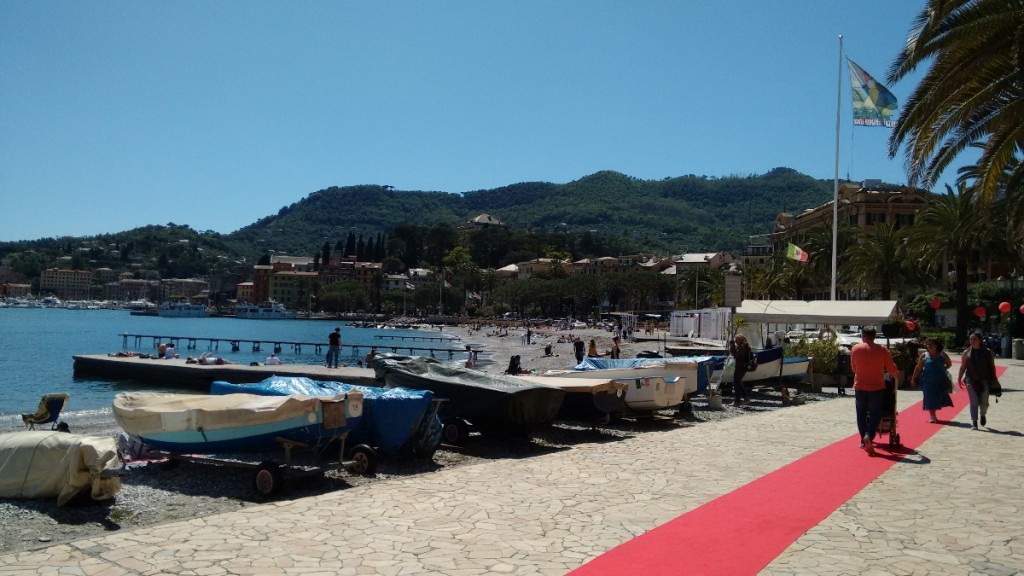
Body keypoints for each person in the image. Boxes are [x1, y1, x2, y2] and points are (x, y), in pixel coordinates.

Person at [850, 327, 898, 456]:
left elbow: (854, 368)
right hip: (876, 387)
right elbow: (891, 369)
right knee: (875, 413)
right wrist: (895, 373)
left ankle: (862, 440)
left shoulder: (855, 349)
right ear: (874, 336)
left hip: (860, 386)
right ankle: (868, 436)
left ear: (863, 335)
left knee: (861, 413)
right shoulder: (882, 350)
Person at [958, 331, 998, 430]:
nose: (972, 341)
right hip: (971, 380)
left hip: (985, 379)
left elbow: (992, 366)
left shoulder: (988, 352)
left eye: (974, 339)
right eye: (970, 339)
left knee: (984, 401)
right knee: (974, 401)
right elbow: (963, 367)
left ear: (980, 340)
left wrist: (994, 379)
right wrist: (959, 378)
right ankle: (974, 422)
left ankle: (983, 414)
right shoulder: (966, 353)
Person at [910, 338, 953, 423]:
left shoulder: (942, 354)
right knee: (930, 397)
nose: (929, 346)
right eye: (928, 344)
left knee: (938, 397)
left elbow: (949, 364)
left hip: (940, 380)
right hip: (927, 380)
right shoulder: (924, 355)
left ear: (936, 346)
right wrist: (913, 379)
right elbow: (918, 368)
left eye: (931, 344)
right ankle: (932, 416)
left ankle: (934, 412)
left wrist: (943, 368)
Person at [729, 334, 752, 407]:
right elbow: (734, 354)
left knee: (737, 382)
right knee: (737, 382)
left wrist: (732, 346)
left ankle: (739, 400)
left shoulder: (742, 347)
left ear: (741, 340)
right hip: (741, 367)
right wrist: (733, 346)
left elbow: (735, 355)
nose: (736, 341)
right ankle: (742, 399)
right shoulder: (742, 346)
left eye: (737, 339)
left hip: (741, 367)